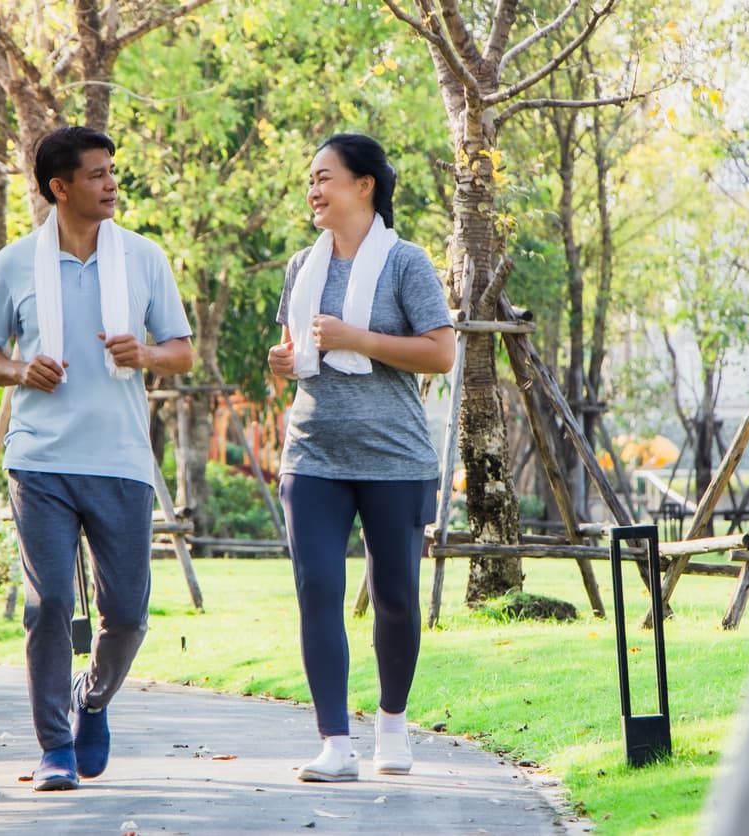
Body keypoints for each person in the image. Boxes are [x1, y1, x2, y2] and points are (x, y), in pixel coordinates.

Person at [0, 126, 194, 791]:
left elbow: (181, 351)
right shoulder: (14, 263)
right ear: (59, 188)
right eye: (97, 174)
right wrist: (18, 371)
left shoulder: (145, 258)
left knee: (126, 614)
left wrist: (146, 355)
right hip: (39, 461)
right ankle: (54, 750)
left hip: (122, 460)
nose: (111, 184)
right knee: (48, 605)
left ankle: (91, 697)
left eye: (113, 171)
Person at [267, 133, 456, 782]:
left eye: (324, 177)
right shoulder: (302, 267)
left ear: (365, 184)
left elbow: (439, 352)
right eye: (310, 180)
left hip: (395, 460)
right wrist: (283, 364)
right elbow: (299, 353)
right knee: (318, 591)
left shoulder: (407, 263)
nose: (313, 191)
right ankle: (335, 744)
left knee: (396, 597)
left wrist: (360, 340)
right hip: (313, 454)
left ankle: (394, 727)